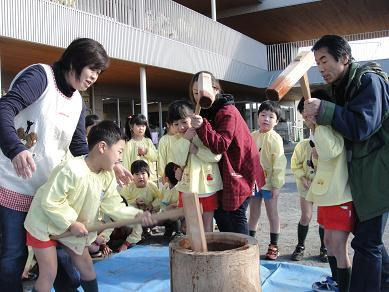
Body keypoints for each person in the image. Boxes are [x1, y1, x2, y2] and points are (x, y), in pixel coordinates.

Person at [0, 38, 111, 292]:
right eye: (92, 69)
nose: (94, 76)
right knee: (13, 256)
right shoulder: (41, 76)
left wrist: (107, 164)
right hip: (13, 183)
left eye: (98, 72)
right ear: (74, 61)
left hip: (49, 193)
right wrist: (16, 149)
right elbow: (4, 107)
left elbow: (80, 147)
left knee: (63, 254)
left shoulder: (77, 103)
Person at [24, 120, 155, 292]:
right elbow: (51, 201)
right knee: (49, 272)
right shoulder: (70, 169)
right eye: (119, 152)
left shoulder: (107, 175)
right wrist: (72, 223)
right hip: (44, 225)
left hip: (72, 228)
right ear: (102, 147)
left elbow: (114, 205)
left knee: (86, 267)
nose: (120, 158)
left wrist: (135, 216)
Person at [304, 35, 389, 292]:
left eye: (324, 60)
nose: (320, 67)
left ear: (344, 57)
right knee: (367, 239)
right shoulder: (340, 87)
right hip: (359, 176)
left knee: (366, 244)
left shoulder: (368, 80)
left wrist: (324, 110)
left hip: (378, 175)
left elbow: (362, 127)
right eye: (317, 62)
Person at [189, 71, 265, 235]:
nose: (198, 97)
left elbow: (221, 144)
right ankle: (230, 254)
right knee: (222, 214)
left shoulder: (226, 111)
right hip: (225, 173)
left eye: (201, 92)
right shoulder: (206, 112)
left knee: (235, 215)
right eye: (195, 93)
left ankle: (244, 256)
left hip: (241, 171)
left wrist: (202, 127)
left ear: (215, 89)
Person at [304, 90, 354, 292]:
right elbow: (323, 158)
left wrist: (316, 128)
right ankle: (336, 280)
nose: (306, 118)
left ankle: (344, 287)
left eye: (308, 113)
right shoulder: (320, 128)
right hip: (326, 195)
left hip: (339, 195)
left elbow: (332, 151)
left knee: (338, 246)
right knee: (328, 242)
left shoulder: (331, 126)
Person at [168, 100, 223, 232]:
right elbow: (177, 160)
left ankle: (207, 250)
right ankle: (194, 250)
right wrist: (185, 140)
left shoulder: (204, 133)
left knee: (207, 224)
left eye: (184, 122)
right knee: (191, 224)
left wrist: (197, 150)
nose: (181, 127)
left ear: (193, 117)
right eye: (176, 124)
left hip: (206, 186)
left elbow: (217, 156)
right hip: (188, 186)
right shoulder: (175, 139)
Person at [248, 101, 287, 260]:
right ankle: (251, 244)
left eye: (271, 116)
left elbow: (279, 162)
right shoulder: (252, 136)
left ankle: (274, 245)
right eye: (263, 115)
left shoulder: (275, 138)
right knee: (253, 214)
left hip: (270, 184)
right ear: (257, 117)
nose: (266, 119)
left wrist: (276, 185)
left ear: (276, 121)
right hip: (254, 183)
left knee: (272, 214)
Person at [290, 98, 327, 262]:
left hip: (324, 187)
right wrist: (302, 177)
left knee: (324, 219)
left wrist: (316, 156)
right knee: (306, 216)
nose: (308, 120)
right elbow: (295, 165)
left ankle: (324, 247)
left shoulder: (327, 142)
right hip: (305, 186)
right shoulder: (301, 145)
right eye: (304, 117)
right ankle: (300, 246)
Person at [118, 160, 162, 250]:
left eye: (143, 173)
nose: (140, 177)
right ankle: (136, 236)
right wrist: (135, 201)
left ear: (148, 175)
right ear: (132, 176)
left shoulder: (152, 186)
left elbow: (160, 198)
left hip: (150, 216)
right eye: (137, 174)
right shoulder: (129, 187)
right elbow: (123, 201)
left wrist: (152, 205)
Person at [123, 114, 158, 182]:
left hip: (149, 178)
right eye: (138, 125)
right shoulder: (129, 144)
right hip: (135, 179)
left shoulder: (148, 141)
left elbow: (155, 157)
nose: (141, 128)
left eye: (143, 126)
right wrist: (128, 178)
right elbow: (126, 163)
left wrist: (146, 152)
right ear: (132, 127)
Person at [159, 162, 181, 239]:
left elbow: (180, 203)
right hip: (166, 210)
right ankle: (169, 229)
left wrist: (172, 206)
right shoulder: (165, 187)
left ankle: (179, 232)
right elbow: (160, 199)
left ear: (167, 178)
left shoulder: (180, 188)